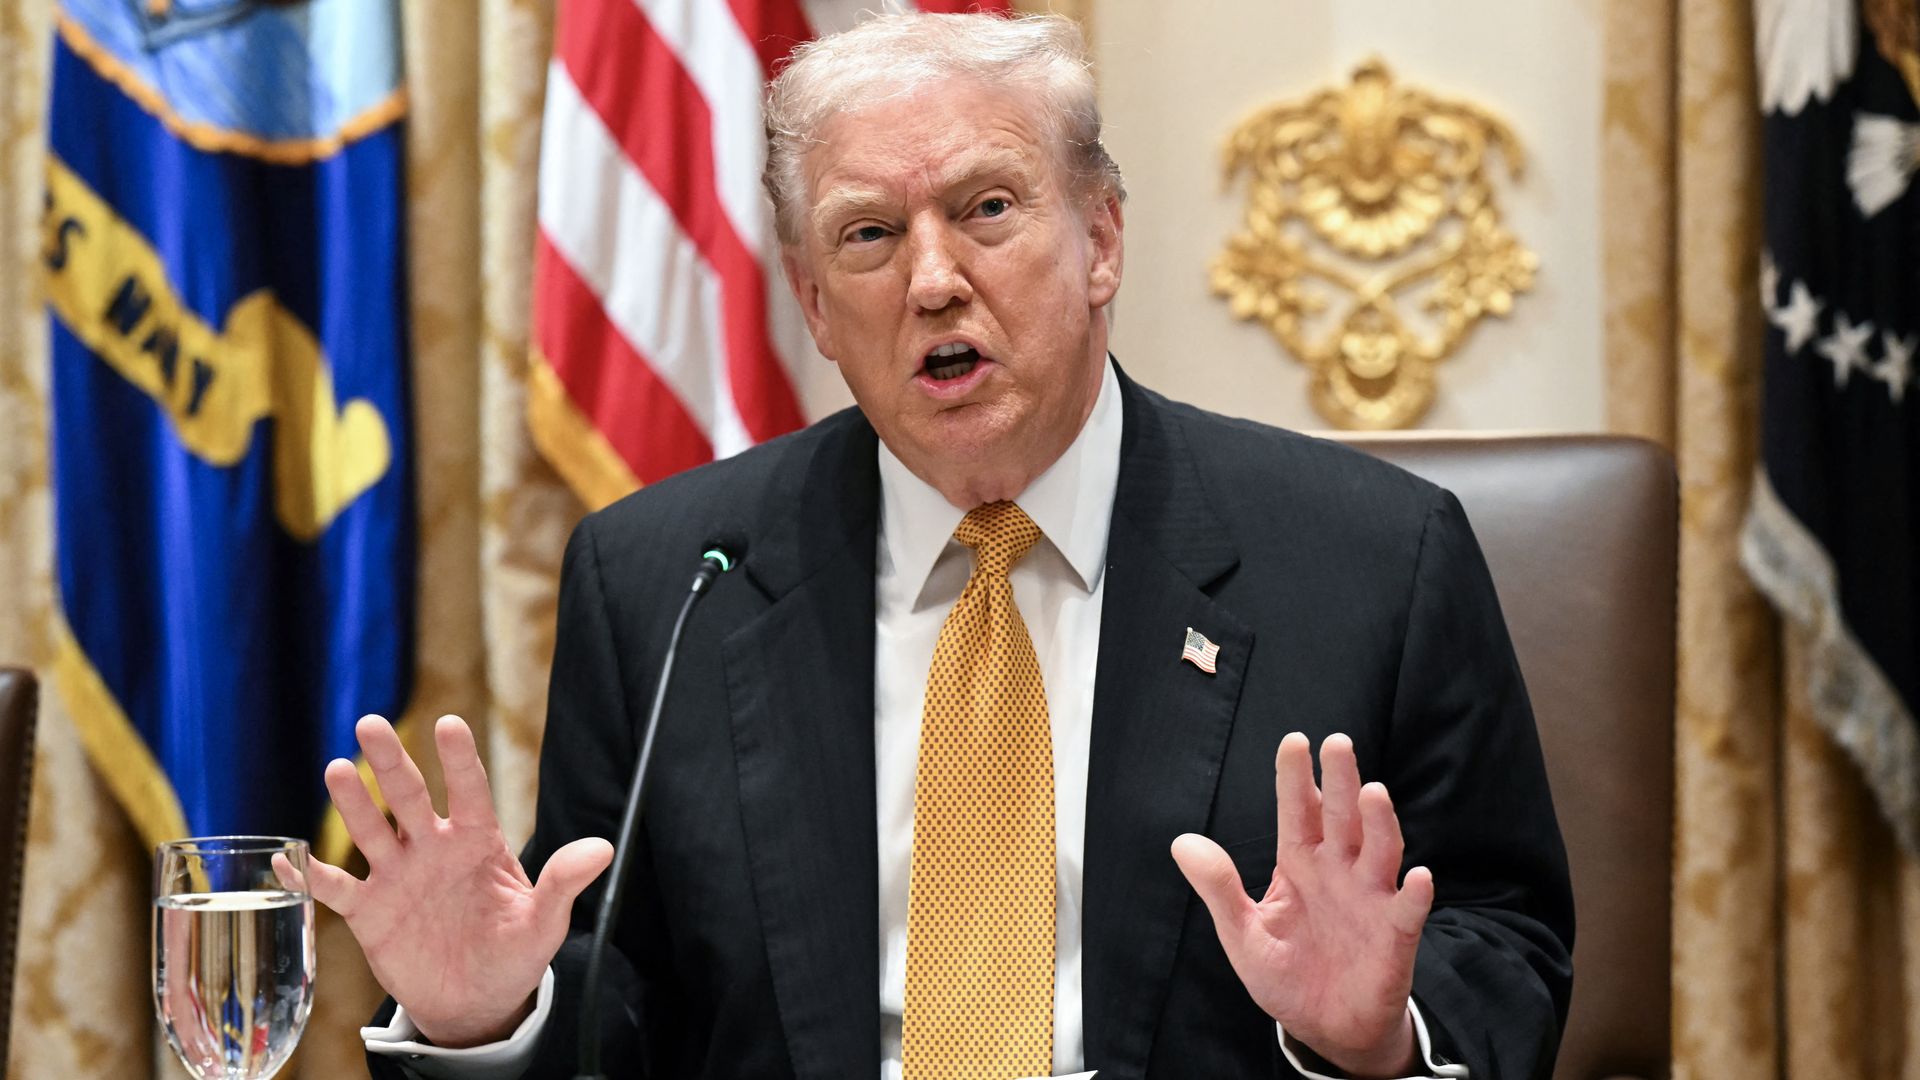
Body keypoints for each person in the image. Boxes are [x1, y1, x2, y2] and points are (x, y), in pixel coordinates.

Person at [318, 13, 1572, 1080]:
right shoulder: (666, 580)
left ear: (1103, 242)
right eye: (869, 235)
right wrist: (487, 1012)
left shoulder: (1370, 560)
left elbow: (1504, 930)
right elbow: (623, 993)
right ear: (813, 303)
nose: (933, 281)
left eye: (987, 209)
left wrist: (1379, 1036)